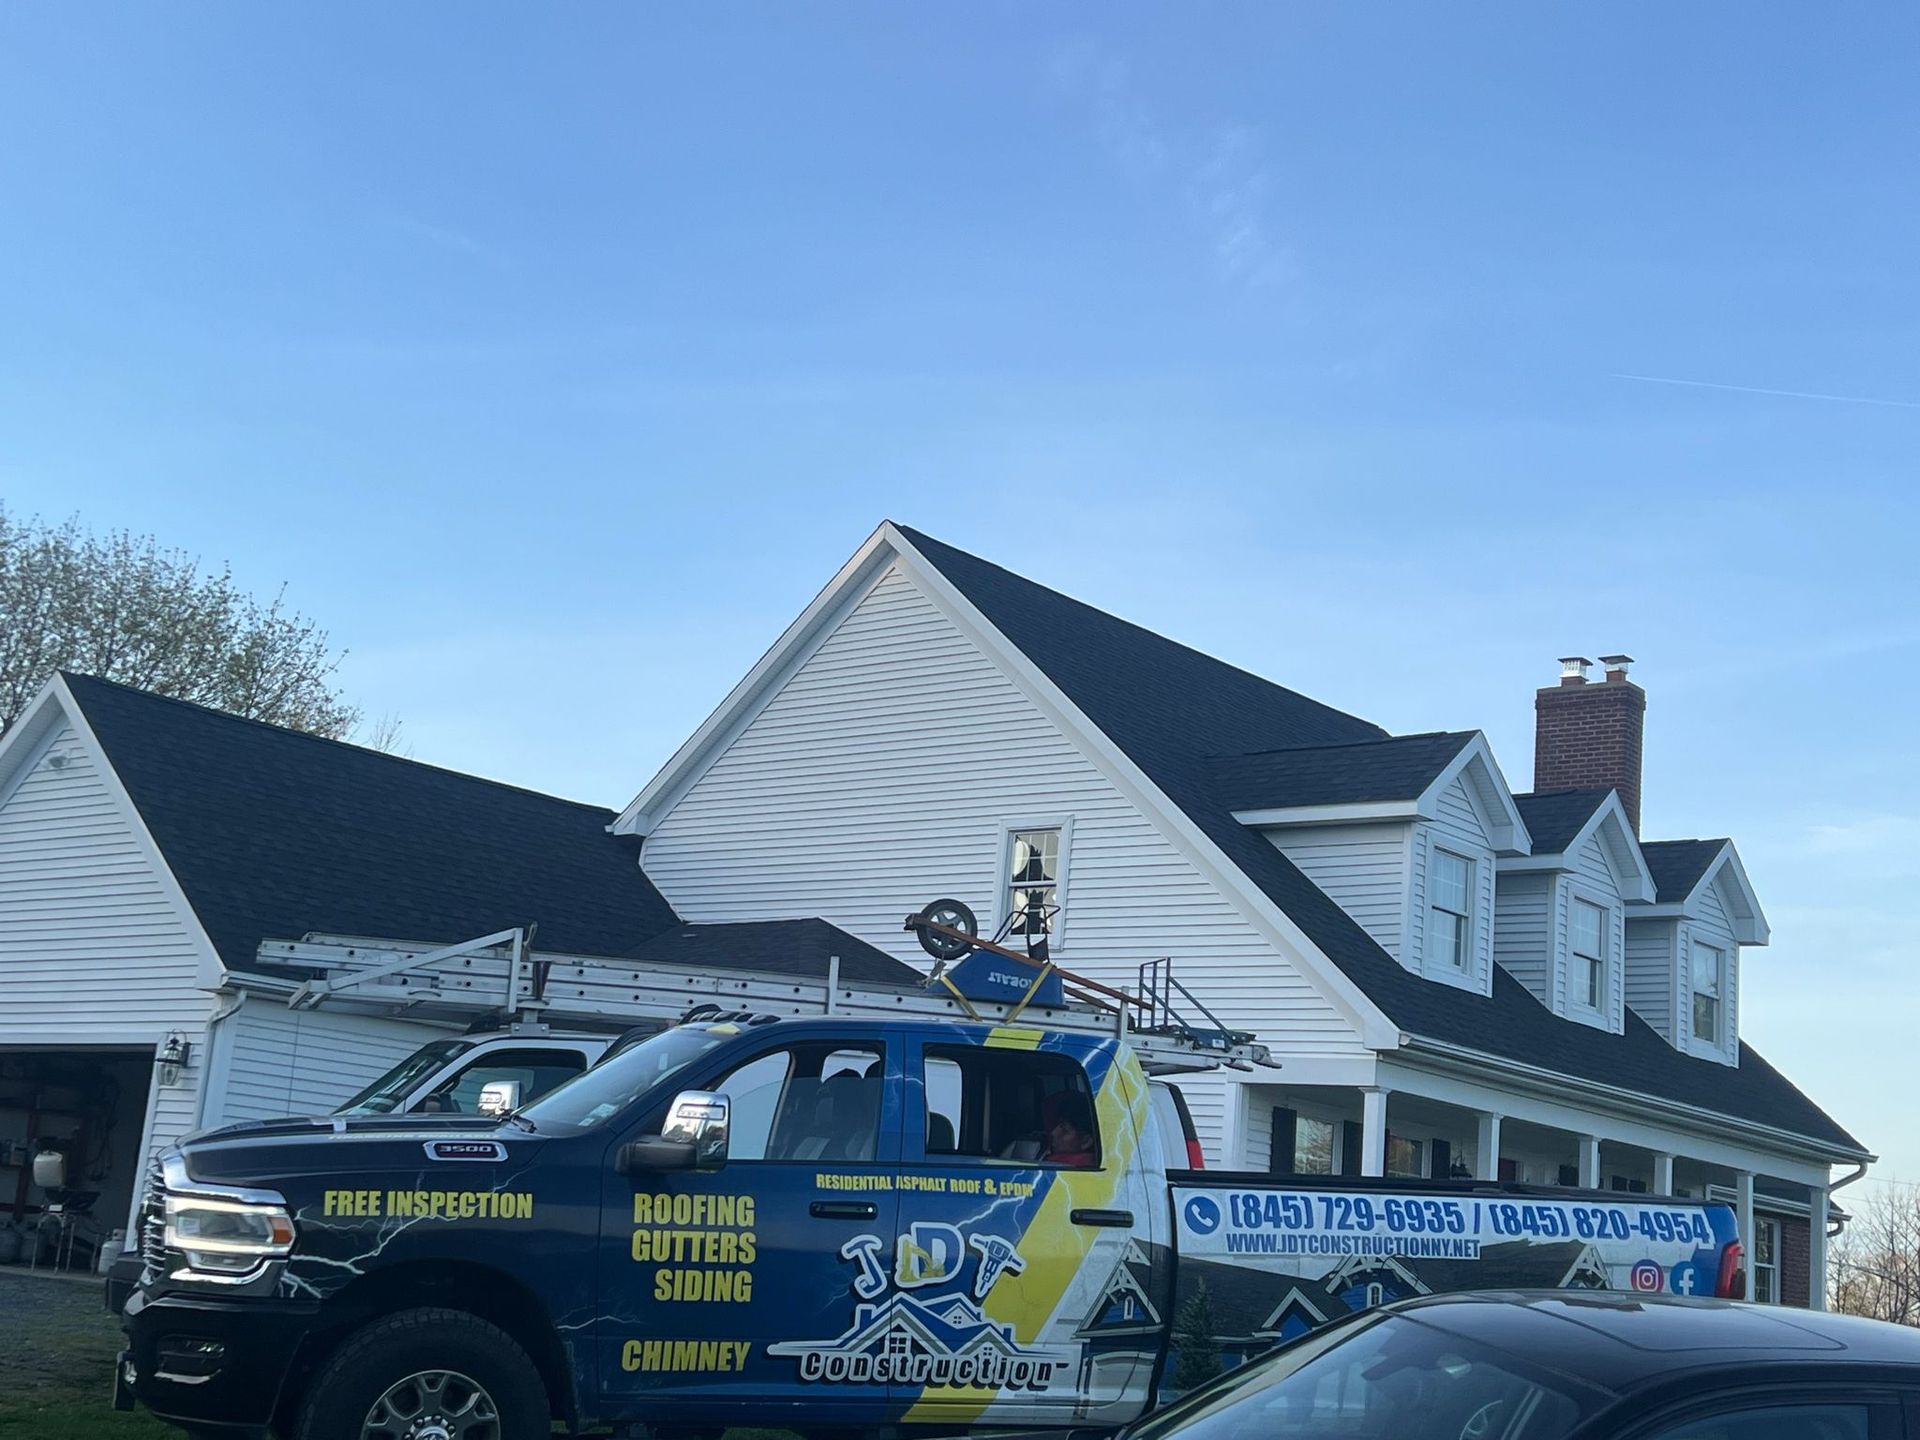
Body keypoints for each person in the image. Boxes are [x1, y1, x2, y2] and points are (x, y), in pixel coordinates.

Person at [1040, 1090, 1098, 1167]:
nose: (1053, 1132)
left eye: (1064, 1130)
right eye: (1057, 1126)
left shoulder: (1061, 1167)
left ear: (1086, 1141)